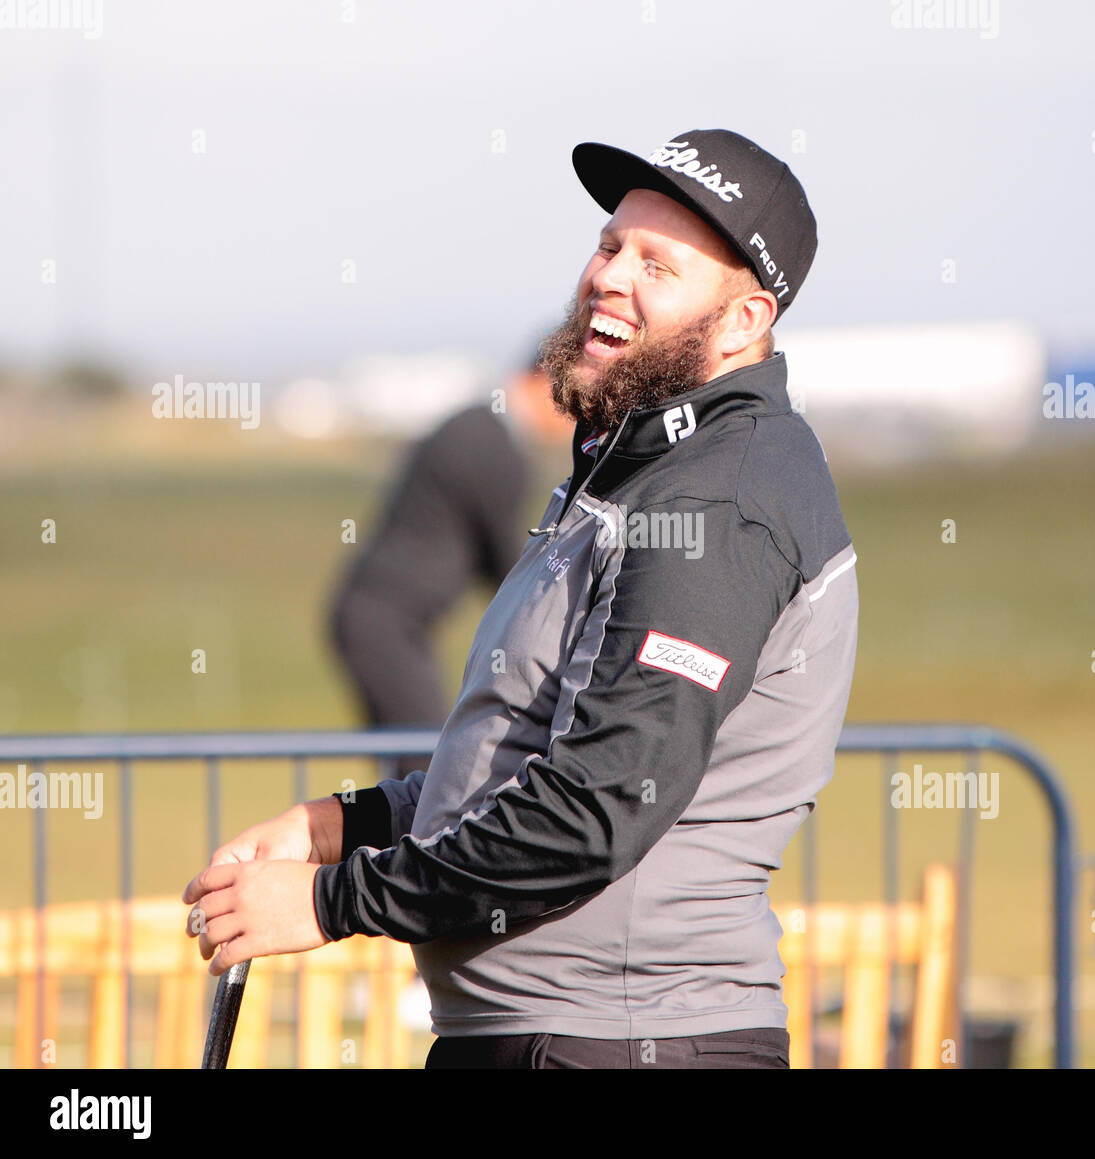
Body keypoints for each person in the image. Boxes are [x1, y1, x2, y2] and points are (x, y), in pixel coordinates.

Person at [183, 128, 859, 1070]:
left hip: (621, 1044)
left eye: (657, 265)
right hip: (541, 1041)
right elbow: (521, 749)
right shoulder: (634, 474)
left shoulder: (717, 498)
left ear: (744, 319)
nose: (609, 276)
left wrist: (332, 901)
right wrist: (347, 824)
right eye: (610, 244)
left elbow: (597, 806)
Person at [326, 351, 571, 776]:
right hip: (385, 623)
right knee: (428, 769)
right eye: (568, 402)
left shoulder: (476, 425)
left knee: (412, 761)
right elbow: (510, 562)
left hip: (380, 619)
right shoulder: (493, 446)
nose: (571, 420)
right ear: (541, 381)